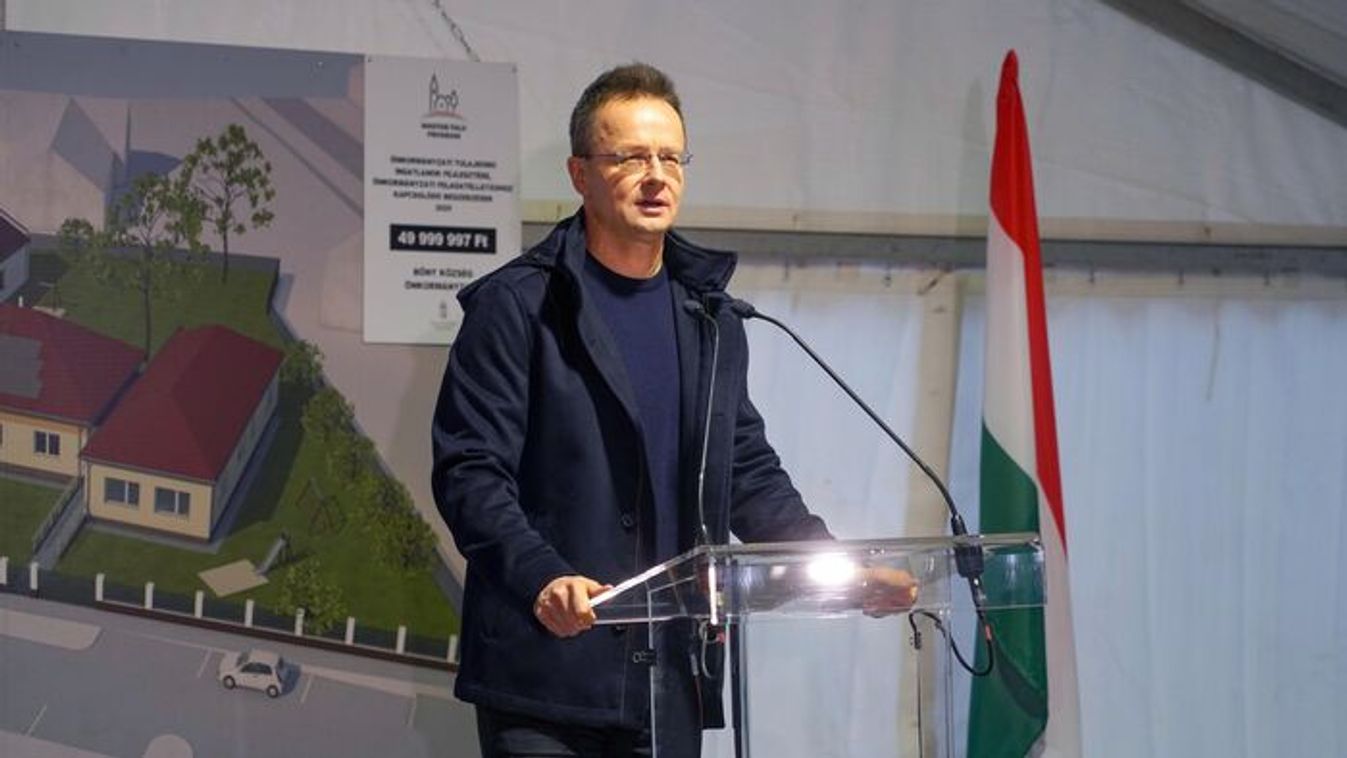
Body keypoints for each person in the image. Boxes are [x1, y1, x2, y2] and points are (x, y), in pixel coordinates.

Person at [432, 62, 911, 757]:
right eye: (629, 156)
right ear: (579, 174)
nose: (655, 175)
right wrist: (542, 576)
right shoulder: (518, 306)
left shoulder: (709, 315)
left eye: (669, 156)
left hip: (671, 680)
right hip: (548, 677)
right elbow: (470, 471)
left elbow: (744, 470)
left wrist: (832, 563)